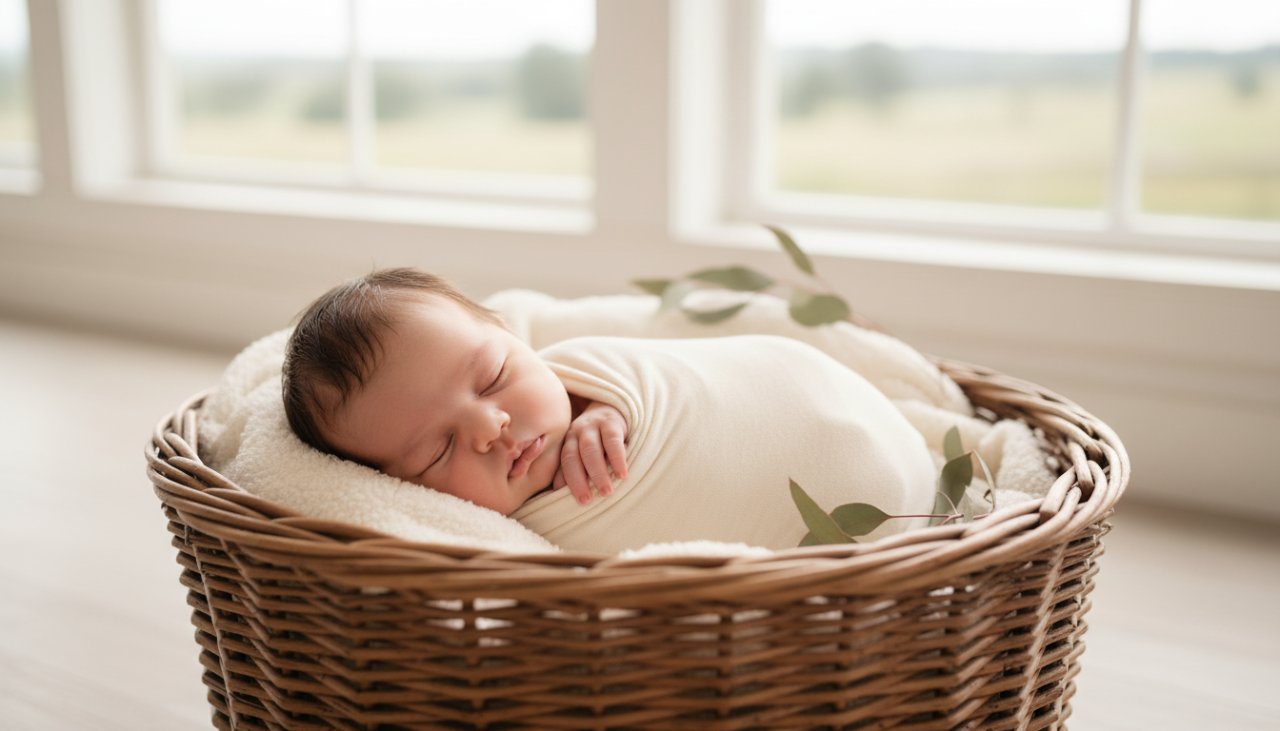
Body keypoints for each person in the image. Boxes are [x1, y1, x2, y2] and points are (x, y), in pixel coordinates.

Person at [283, 267, 628, 515]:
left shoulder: (594, 368)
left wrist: (616, 405)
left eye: (493, 378)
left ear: (510, 335)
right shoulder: (477, 539)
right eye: (439, 451)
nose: (490, 428)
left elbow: (669, 375)